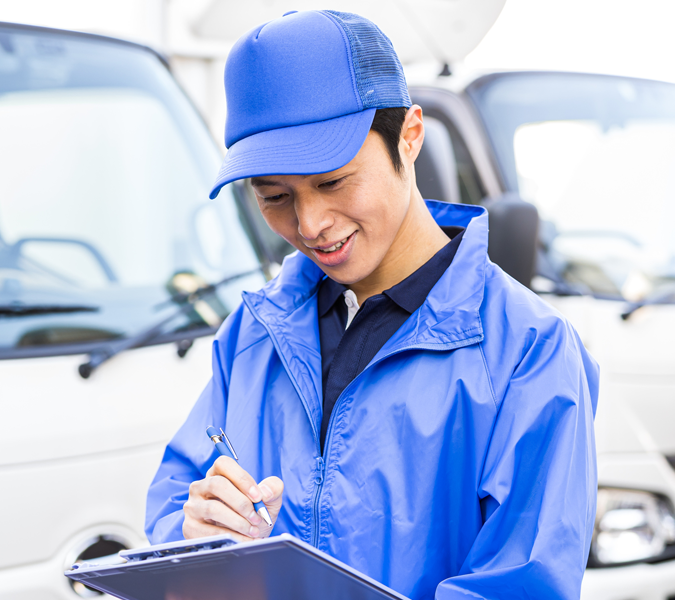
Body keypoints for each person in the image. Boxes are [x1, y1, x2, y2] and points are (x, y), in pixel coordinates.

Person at [145, 10, 598, 600]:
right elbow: (175, 509)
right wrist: (193, 534)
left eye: (332, 182)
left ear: (409, 136)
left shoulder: (528, 354)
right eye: (275, 196)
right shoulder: (252, 335)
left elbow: (520, 586)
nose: (310, 224)